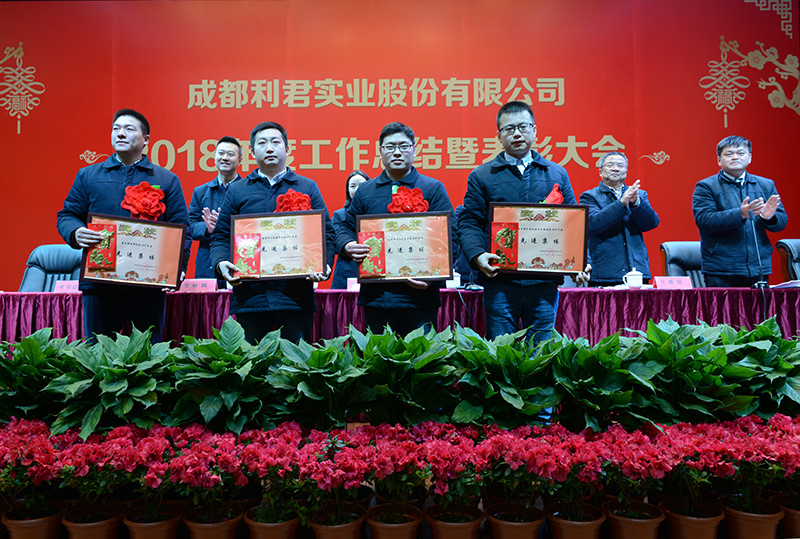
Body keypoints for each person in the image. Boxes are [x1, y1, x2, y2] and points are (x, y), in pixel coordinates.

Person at [457, 101, 589, 344]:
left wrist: (581, 261)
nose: (517, 134)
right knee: (501, 352)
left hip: (543, 282)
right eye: (509, 129)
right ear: (499, 136)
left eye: (523, 127)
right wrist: (477, 255)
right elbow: (469, 221)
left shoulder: (556, 173)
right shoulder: (482, 175)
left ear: (534, 130)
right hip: (500, 281)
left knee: (540, 352)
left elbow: (573, 223)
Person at [56, 108, 190, 343]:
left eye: (129, 129)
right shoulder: (88, 175)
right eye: (116, 129)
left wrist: (178, 267)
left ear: (146, 140)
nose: (120, 133)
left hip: (147, 282)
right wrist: (75, 232)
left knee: (147, 350)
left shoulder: (166, 180)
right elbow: (67, 215)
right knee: (98, 350)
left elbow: (181, 228)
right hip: (100, 281)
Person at [211, 121, 334, 343]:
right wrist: (221, 263)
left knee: (297, 359)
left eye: (275, 142)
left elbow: (326, 233)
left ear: (287, 149)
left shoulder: (307, 186)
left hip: (295, 296)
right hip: (251, 297)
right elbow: (221, 235)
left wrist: (324, 265)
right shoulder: (238, 190)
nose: (269, 148)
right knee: (252, 360)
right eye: (262, 143)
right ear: (252, 151)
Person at [336, 122, 454, 335]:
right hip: (377, 297)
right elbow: (345, 227)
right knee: (380, 355)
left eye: (403, 146)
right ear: (380, 151)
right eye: (390, 147)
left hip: (421, 297)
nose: (397, 152)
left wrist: (433, 277)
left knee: (422, 355)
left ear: (414, 149)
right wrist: (347, 244)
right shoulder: (365, 191)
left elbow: (450, 234)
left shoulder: (433, 188)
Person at [692, 135, 787, 287]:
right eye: (729, 154)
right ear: (719, 160)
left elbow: (781, 223)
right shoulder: (706, 186)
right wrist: (740, 214)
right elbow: (705, 220)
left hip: (759, 266)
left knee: (759, 304)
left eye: (741, 153)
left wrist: (769, 217)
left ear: (750, 158)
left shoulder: (765, 185)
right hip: (721, 268)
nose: (735, 157)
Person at [580, 152, 660, 286]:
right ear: (600, 172)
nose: (615, 169)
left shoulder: (639, 195)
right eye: (610, 165)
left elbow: (651, 223)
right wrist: (621, 203)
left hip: (637, 271)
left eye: (620, 166)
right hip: (605, 272)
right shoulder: (589, 196)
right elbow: (593, 224)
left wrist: (636, 203)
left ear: (626, 172)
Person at [188, 136, 242, 288]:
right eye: (221, 153)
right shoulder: (200, 192)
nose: (225, 158)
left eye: (230, 154)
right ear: (214, 157)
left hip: (240, 260)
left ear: (239, 160)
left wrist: (224, 226)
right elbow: (190, 225)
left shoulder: (248, 190)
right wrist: (207, 228)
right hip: (207, 263)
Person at [330, 171, 369, 289]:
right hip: (346, 271)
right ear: (347, 190)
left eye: (361, 186)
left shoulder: (377, 213)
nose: (357, 190)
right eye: (352, 186)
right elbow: (334, 242)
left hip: (373, 268)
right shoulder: (339, 215)